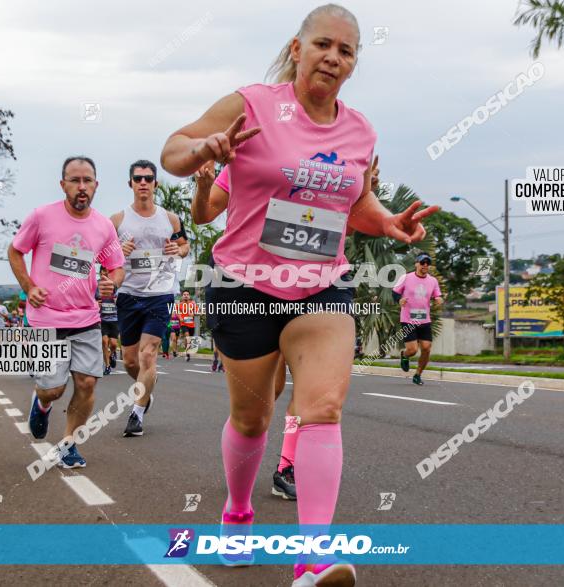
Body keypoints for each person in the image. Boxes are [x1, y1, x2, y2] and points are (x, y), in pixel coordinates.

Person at [160, 5, 436, 584]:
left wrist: (387, 222)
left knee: (323, 410)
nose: (334, 57)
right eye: (324, 45)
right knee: (253, 419)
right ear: (297, 48)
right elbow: (173, 151)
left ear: (354, 63)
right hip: (244, 287)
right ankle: (237, 515)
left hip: (322, 284)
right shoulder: (254, 103)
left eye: (347, 50)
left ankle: (312, 557)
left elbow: (354, 204)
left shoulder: (360, 129)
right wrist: (206, 149)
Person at [194, 155, 384, 501]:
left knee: (316, 400)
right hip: (250, 284)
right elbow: (204, 213)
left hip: (317, 283)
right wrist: (204, 183)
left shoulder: (342, 153)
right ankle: (240, 491)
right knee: (262, 403)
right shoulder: (257, 150)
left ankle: (286, 467)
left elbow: (350, 226)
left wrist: (367, 194)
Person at [8, 156, 126, 468]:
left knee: (87, 383)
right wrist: (29, 286)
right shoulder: (41, 217)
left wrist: (109, 284)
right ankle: (42, 403)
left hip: (87, 318)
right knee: (54, 389)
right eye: (75, 180)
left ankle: (69, 443)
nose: (82, 186)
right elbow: (15, 250)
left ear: (96, 185)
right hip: (46, 318)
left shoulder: (103, 226)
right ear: (63, 185)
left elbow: (117, 268)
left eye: (87, 180)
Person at [110, 159, 189, 437]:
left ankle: (137, 412)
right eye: (138, 178)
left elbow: (184, 246)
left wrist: (176, 250)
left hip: (161, 293)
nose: (143, 182)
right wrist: (118, 250)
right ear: (130, 183)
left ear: (155, 184)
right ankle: (147, 392)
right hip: (129, 294)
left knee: (148, 355)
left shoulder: (170, 219)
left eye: (148, 178)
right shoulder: (117, 221)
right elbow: (102, 257)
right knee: (130, 361)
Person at [394, 252, 444, 385]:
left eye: (428, 263)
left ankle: (418, 374)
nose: (425, 265)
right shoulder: (406, 277)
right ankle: (405, 356)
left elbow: (437, 294)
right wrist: (400, 300)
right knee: (413, 350)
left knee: (427, 348)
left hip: (424, 320)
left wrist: (439, 299)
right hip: (408, 319)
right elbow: (395, 293)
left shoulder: (433, 281)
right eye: (422, 262)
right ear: (416, 263)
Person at [97, 267, 120, 376]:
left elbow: (120, 299)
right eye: (103, 271)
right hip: (102, 319)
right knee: (104, 342)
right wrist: (97, 303)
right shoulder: (97, 285)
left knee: (114, 344)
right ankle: (107, 366)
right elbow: (93, 298)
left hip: (114, 318)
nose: (104, 273)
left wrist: (117, 300)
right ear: (100, 272)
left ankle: (113, 354)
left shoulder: (115, 284)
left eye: (107, 271)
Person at [176, 290, 199, 361]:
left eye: (187, 294)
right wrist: (180, 318)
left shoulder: (193, 304)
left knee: (190, 339)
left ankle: (187, 351)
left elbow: (198, 312)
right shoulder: (179, 304)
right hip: (183, 324)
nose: (186, 295)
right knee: (187, 336)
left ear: (189, 296)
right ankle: (187, 354)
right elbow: (177, 313)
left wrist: (194, 314)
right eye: (184, 294)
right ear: (182, 296)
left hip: (191, 324)